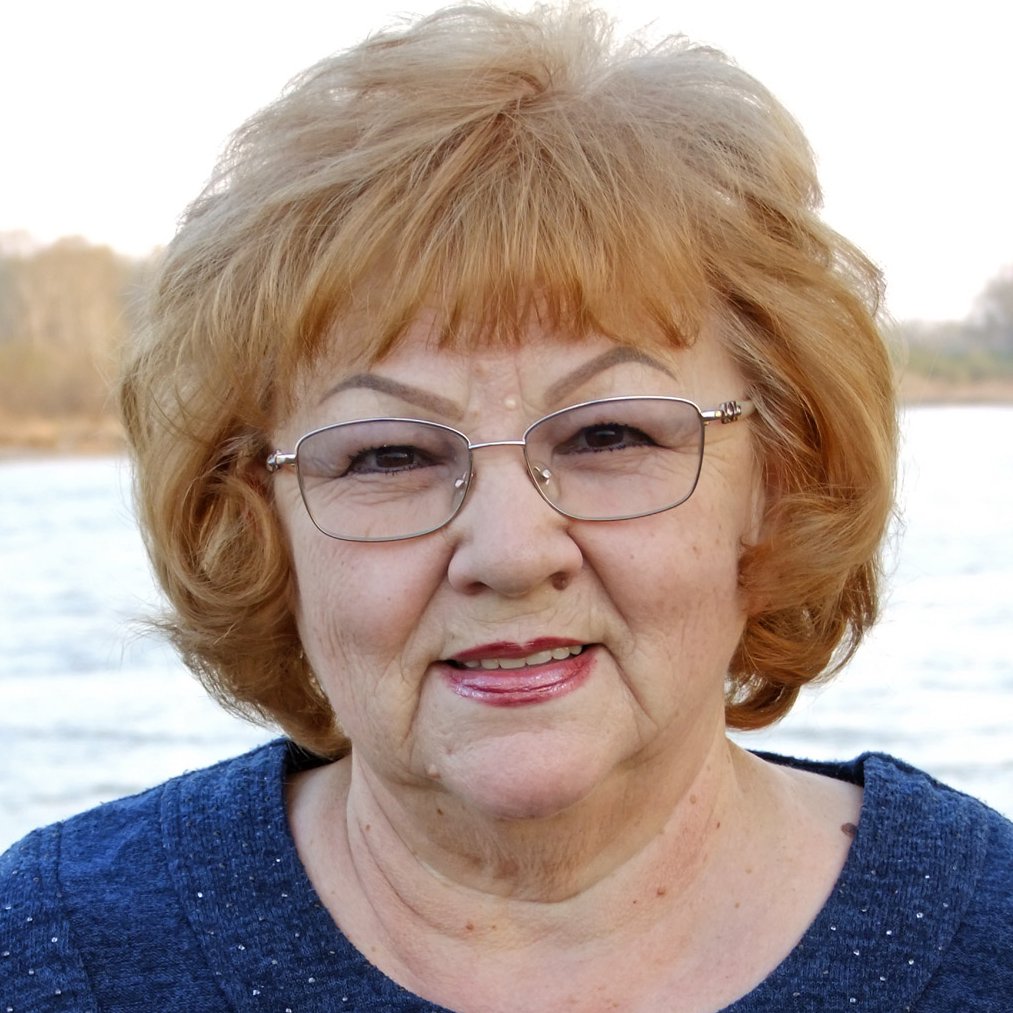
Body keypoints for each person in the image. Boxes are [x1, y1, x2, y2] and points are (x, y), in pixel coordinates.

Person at [2, 4, 1010, 1010]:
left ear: (777, 478)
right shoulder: (53, 955)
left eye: (607, 436)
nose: (511, 550)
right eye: (389, 453)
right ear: (255, 523)